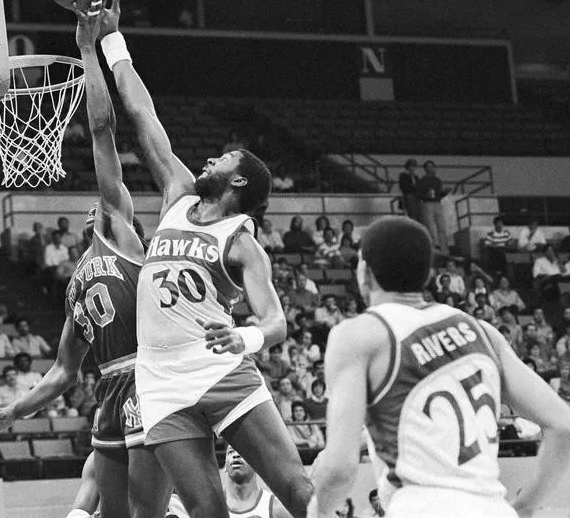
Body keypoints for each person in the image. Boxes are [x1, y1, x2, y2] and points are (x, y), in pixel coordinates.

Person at [94, 0, 313, 518]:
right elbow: (141, 113)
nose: (209, 157)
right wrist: (109, 38)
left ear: (238, 180)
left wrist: (245, 336)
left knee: (300, 492)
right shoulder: (178, 192)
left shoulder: (241, 241)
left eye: (223, 157)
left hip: (218, 370)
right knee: (205, 512)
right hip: (159, 380)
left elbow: (277, 321)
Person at [0, 0, 170, 518]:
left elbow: (103, 131)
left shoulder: (122, 236)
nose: (97, 206)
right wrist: (10, 414)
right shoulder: (75, 286)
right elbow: (63, 372)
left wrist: (88, 50)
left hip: (148, 376)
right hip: (109, 386)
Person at [310, 216, 570, 518]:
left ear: (364, 271)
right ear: (428, 273)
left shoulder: (361, 334)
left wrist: (318, 511)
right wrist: (524, 507)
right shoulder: (483, 331)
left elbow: (340, 469)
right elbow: (563, 424)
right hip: (494, 508)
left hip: (422, 506)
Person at [166, 446, 294, 518]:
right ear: (225, 467)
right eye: (231, 452)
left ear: (257, 464)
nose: (236, 455)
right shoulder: (209, 507)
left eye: (243, 452)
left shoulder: (275, 508)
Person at [415, 161, 450, 255]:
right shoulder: (421, 181)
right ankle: (433, 249)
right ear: (425, 169)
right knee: (430, 227)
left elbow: (439, 194)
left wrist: (444, 192)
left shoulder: (438, 180)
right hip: (427, 204)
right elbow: (418, 194)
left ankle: (444, 250)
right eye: (428, 167)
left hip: (437, 203)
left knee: (441, 227)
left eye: (432, 167)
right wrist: (426, 196)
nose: (430, 169)